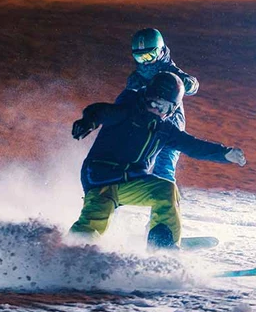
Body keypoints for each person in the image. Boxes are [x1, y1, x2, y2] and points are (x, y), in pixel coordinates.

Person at [70, 72, 245, 249]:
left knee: (166, 189)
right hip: (102, 180)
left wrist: (224, 153)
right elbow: (100, 111)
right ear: (145, 97)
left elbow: (192, 146)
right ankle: (69, 253)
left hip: (132, 182)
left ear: (172, 110)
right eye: (152, 102)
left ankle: (162, 247)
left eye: (162, 108)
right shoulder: (127, 112)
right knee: (96, 218)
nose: (155, 109)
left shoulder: (165, 129)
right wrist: (88, 121)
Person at [119, 28, 199, 184]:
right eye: (140, 57)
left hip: (169, 127)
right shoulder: (135, 79)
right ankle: (109, 199)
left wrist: (188, 83)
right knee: (129, 165)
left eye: (150, 55)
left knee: (164, 168)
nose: (146, 61)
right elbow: (126, 101)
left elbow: (192, 84)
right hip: (143, 127)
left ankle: (165, 204)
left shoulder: (170, 73)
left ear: (161, 51)